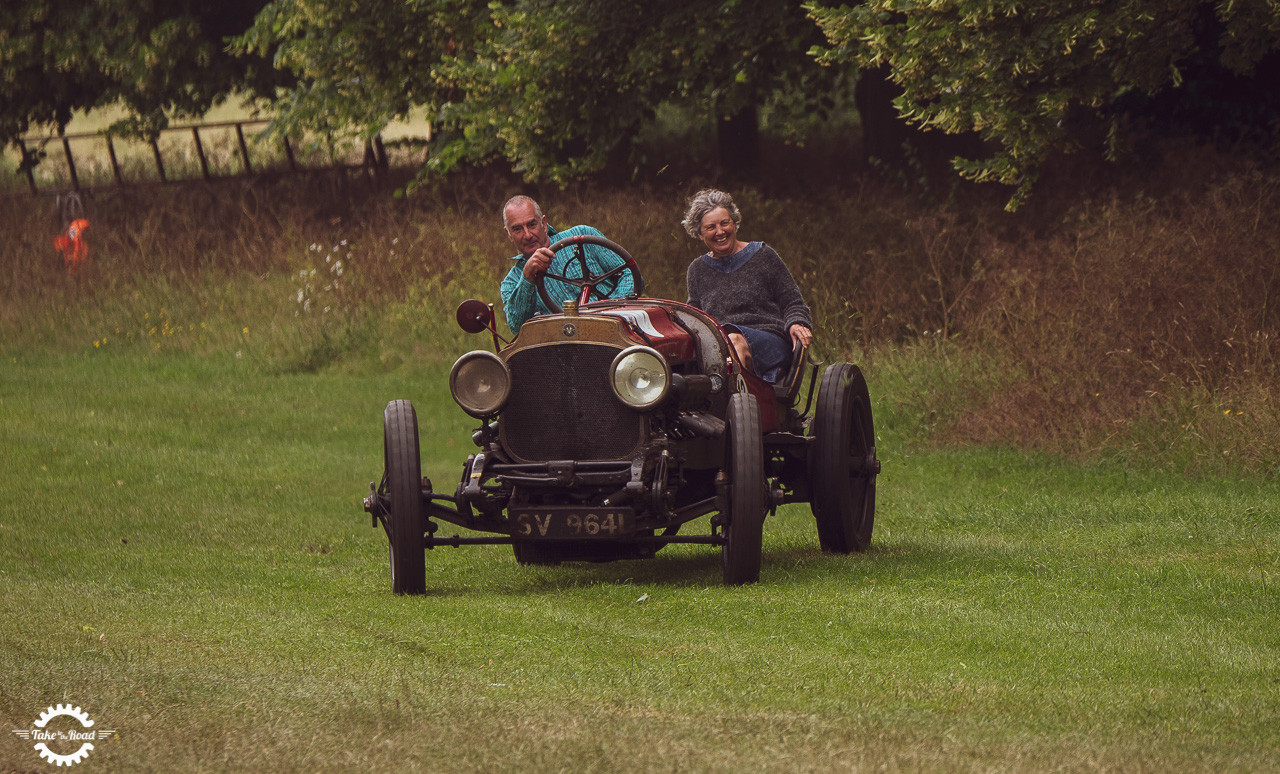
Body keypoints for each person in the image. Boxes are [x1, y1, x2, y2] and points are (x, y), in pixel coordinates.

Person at [682, 189, 813, 383]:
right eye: (711, 227)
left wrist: (796, 322)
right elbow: (695, 318)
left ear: (734, 224)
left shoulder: (763, 255)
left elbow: (793, 302)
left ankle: (736, 407)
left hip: (769, 341)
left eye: (724, 223)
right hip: (719, 346)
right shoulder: (697, 270)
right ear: (700, 234)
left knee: (734, 340)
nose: (720, 232)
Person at [499, 195, 635, 333]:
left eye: (532, 225)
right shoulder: (512, 282)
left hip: (617, 330)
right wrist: (527, 277)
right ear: (508, 234)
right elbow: (517, 326)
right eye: (517, 229)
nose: (527, 235)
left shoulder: (583, 236)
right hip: (565, 346)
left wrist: (611, 313)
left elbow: (629, 274)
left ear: (544, 223)